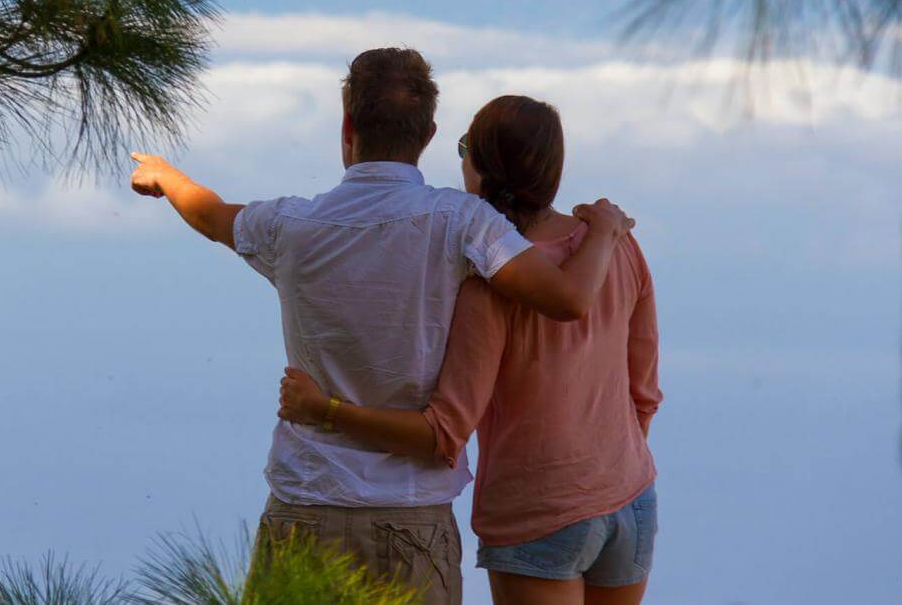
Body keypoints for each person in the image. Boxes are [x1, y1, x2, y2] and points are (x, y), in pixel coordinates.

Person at [128, 50, 636, 604]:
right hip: (411, 520)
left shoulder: (289, 226)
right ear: (430, 134)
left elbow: (210, 214)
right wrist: (606, 231)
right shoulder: (462, 221)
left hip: (304, 508)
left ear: (347, 127)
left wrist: (167, 177)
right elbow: (564, 299)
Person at [277, 94, 661, 605]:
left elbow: (444, 432)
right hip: (631, 500)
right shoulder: (616, 245)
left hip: (539, 512)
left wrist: (324, 409)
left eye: (464, 148)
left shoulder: (488, 281)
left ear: (481, 165)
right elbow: (645, 393)